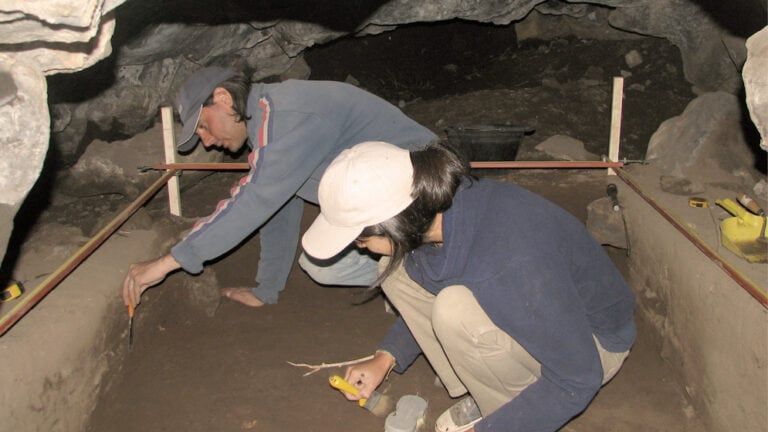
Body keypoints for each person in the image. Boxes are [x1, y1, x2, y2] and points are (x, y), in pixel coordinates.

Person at [301, 141, 637, 432]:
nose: (358, 246)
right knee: (395, 267)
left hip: (593, 345)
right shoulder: (437, 209)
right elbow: (432, 278)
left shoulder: (508, 261)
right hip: (538, 310)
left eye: (360, 238)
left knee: (455, 309)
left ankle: (513, 404)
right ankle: (488, 383)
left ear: (397, 222)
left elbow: (578, 377)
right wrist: (385, 357)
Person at [121, 67, 436, 309]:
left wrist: (166, 263)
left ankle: (432, 275)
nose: (206, 140)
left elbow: (254, 200)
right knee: (321, 265)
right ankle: (418, 269)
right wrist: (266, 289)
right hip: (387, 197)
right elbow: (278, 205)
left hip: (430, 187)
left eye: (203, 125)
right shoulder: (268, 122)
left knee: (326, 265)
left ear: (223, 98)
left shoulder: (286, 115)